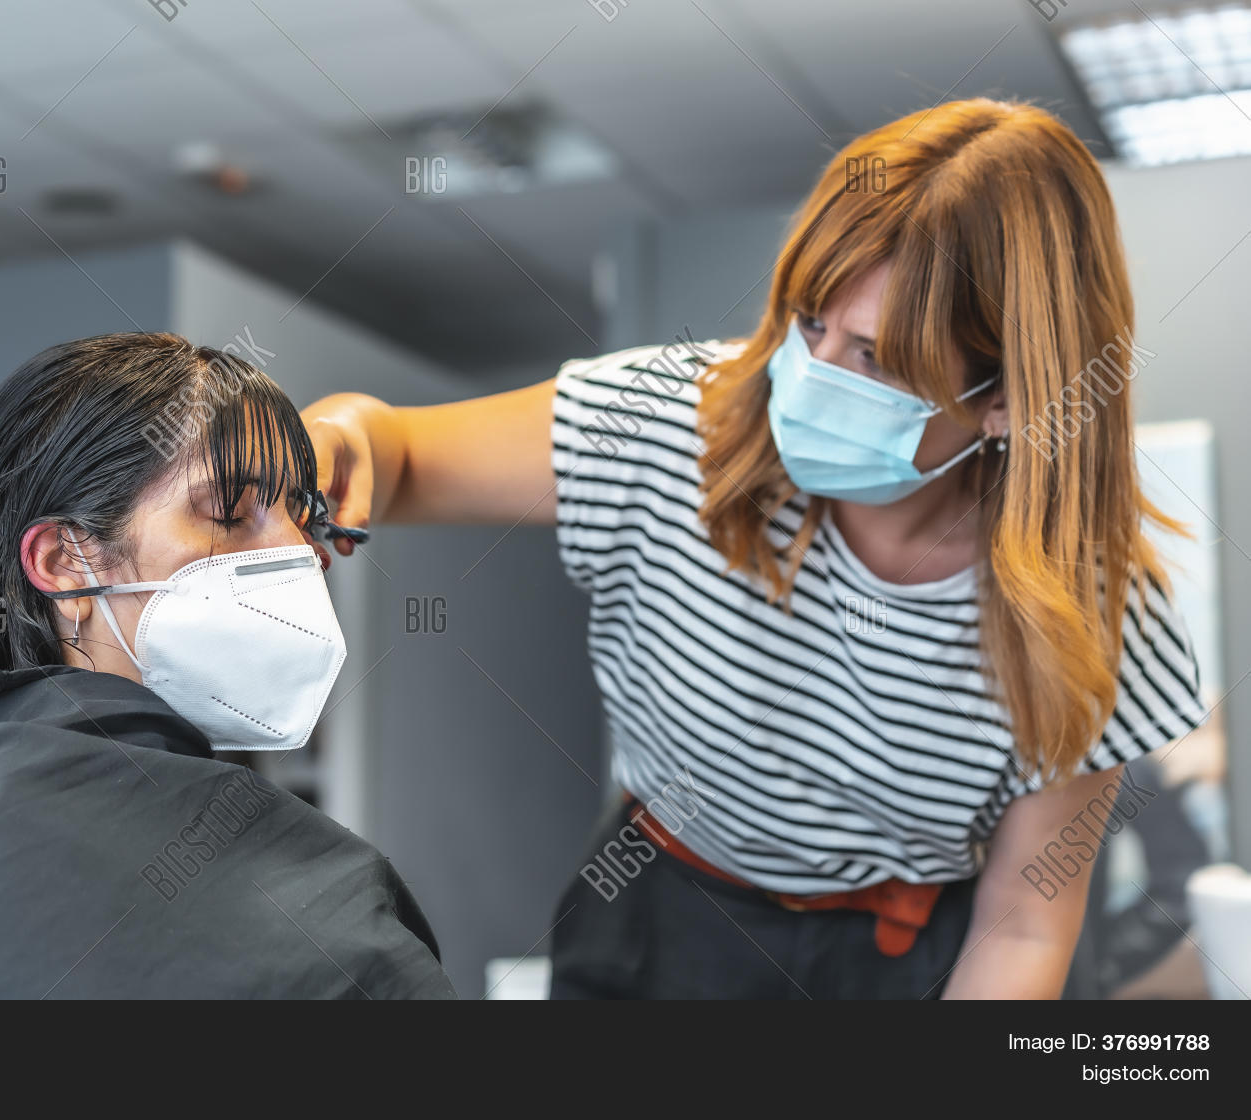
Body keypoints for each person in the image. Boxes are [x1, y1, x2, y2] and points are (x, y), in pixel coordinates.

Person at [299, 99, 1208, 999]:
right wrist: (340, 434)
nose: (810, 376)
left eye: (876, 359)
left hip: (902, 958)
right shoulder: (666, 423)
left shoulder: (1099, 615)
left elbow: (1024, 924)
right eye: (811, 322)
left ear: (1007, 396)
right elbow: (400, 453)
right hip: (660, 910)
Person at [0, 333, 455, 1000]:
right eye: (232, 512)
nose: (301, 554)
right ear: (64, 563)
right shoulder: (328, 903)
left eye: (301, 511)